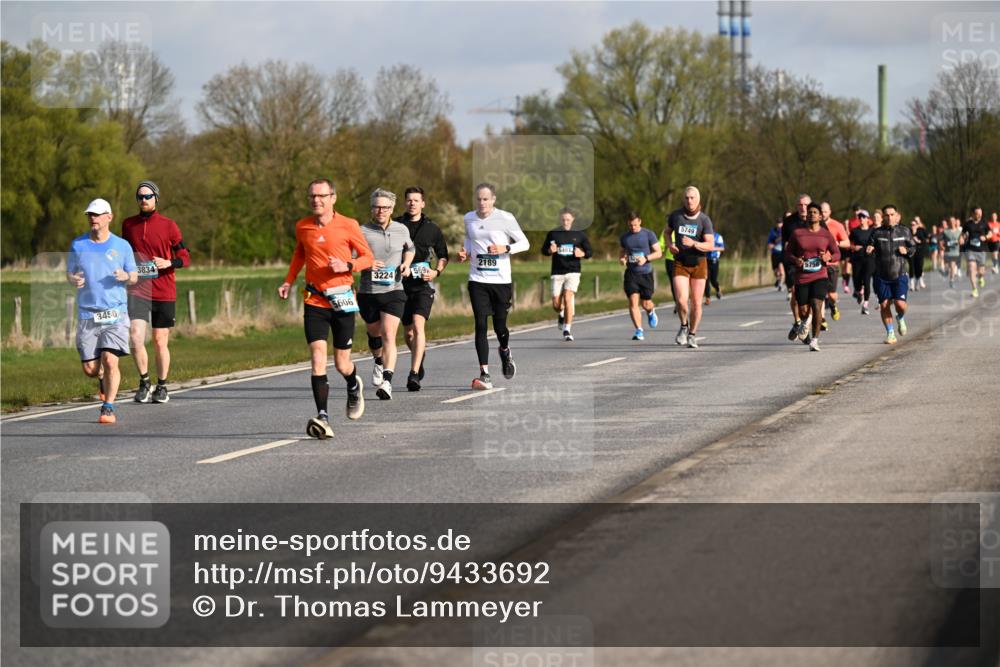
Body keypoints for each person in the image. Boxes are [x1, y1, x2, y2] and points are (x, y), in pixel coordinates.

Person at [278, 178, 374, 438]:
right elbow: (300, 253)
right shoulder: (303, 226)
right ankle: (323, 417)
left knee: (342, 363)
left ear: (333, 198)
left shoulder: (349, 225)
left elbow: (368, 258)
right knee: (318, 357)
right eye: (312, 196)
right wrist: (288, 281)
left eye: (321, 196)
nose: (316, 200)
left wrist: (348, 265)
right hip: (315, 300)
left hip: (342, 299)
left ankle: (353, 385)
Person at [67, 199, 138, 423]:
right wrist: (73, 279)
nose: (93, 218)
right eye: (90, 214)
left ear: (109, 217)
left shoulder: (122, 246)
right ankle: (100, 377)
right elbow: (70, 273)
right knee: (90, 368)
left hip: (115, 312)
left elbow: (134, 276)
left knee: (110, 360)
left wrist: (126, 276)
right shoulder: (78, 245)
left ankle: (108, 407)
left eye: (97, 214)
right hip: (88, 314)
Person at [122, 180, 190, 404]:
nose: (143, 200)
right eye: (140, 197)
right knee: (135, 336)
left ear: (156, 198)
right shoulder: (128, 225)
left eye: (148, 196)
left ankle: (162, 386)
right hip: (138, 289)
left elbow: (185, 257)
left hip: (163, 290)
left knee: (160, 341)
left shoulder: (169, 225)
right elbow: (124, 254)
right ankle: (144, 382)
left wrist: (169, 262)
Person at [456, 183, 529, 390]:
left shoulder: (505, 218)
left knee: (500, 327)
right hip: (477, 279)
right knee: (480, 323)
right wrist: (465, 252)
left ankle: (505, 351)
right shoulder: (469, 218)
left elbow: (525, 243)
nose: (482, 203)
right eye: (478, 199)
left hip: (501, 281)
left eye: (486, 199)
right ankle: (485, 373)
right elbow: (469, 239)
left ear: (493, 199)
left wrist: (505, 248)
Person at [360, 189, 414, 401]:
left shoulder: (401, 229)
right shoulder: (361, 231)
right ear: (371, 209)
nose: (380, 210)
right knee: (374, 334)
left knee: (389, 334)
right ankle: (378, 360)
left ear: (392, 209)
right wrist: (368, 264)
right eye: (376, 207)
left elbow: (410, 248)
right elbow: (350, 259)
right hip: (368, 292)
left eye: (385, 207)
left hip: (394, 290)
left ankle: (387, 381)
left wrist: (406, 263)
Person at [395, 186, 448, 392]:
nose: (412, 203)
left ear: (422, 203)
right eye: (409, 200)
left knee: (418, 327)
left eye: (416, 200)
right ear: (405, 202)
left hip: (423, 285)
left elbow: (443, 255)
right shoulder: (396, 225)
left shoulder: (432, 228)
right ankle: (419, 354)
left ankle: (414, 374)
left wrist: (436, 272)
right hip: (400, 285)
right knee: (408, 334)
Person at [785, 202, 840, 351]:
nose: (812, 214)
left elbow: (837, 253)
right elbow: (788, 253)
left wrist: (829, 257)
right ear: (806, 216)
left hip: (820, 275)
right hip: (802, 277)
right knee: (804, 311)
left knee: (816, 305)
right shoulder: (797, 233)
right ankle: (803, 323)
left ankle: (814, 340)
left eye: (815, 212)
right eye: (810, 212)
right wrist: (796, 260)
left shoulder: (825, 234)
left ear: (820, 216)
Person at [666, 186, 715, 348]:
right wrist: (670, 245)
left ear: (698, 199)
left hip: (699, 263)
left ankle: (692, 334)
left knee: (696, 303)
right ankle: (683, 326)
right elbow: (667, 232)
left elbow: (710, 245)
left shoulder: (704, 220)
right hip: (680, 262)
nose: (689, 201)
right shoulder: (676, 216)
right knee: (681, 300)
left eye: (692, 198)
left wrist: (694, 243)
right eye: (687, 198)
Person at [541, 207, 593, 341]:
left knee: (568, 297)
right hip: (557, 272)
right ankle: (561, 313)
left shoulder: (579, 234)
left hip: (573, 271)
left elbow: (590, 252)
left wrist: (582, 253)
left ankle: (567, 329)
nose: (565, 222)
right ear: (560, 219)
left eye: (568, 220)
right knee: (556, 304)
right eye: (563, 219)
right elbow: (543, 250)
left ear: (573, 219)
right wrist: (549, 250)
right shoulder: (553, 234)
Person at [866, 204, 915, 345]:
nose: (889, 217)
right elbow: (869, 248)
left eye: (892, 214)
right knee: (884, 304)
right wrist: (868, 250)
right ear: (883, 217)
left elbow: (913, 248)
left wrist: (907, 251)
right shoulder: (876, 233)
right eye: (886, 215)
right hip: (881, 275)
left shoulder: (904, 231)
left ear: (896, 215)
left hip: (899, 273)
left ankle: (900, 317)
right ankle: (890, 333)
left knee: (900, 305)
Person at [619, 211, 662, 341]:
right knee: (633, 301)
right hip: (631, 273)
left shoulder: (649, 234)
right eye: (630, 225)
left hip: (646, 273)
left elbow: (659, 252)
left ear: (640, 222)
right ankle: (639, 330)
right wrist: (622, 259)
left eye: (635, 225)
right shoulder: (625, 237)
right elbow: (622, 252)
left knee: (646, 304)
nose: (633, 227)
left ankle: (651, 311)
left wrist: (646, 258)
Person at [782, 194, 811, 340]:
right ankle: (798, 321)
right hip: (793, 262)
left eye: (806, 205)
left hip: (811, 262)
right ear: (796, 206)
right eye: (800, 205)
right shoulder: (789, 222)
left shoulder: (816, 219)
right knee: (795, 293)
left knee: (809, 297)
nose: (803, 208)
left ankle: (805, 325)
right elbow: (785, 244)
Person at [820, 202, 849, 323]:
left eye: (825, 212)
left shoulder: (837, 225)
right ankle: (821, 320)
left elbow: (847, 243)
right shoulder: (813, 225)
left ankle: (832, 305)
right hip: (818, 265)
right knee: (819, 294)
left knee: (831, 295)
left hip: (832, 265)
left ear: (830, 212)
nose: (823, 214)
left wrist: (837, 243)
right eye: (821, 211)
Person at [848, 210, 876, 314]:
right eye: (859, 217)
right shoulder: (855, 231)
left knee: (867, 280)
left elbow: (877, 243)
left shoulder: (873, 231)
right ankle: (858, 292)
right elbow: (848, 243)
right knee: (856, 281)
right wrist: (853, 247)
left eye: (863, 217)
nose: (861, 219)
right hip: (857, 259)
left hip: (869, 258)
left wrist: (872, 247)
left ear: (868, 218)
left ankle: (865, 305)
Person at [963, 206, 989, 297]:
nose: (980, 215)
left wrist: (985, 237)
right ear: (973, 214)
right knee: (971, 268)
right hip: (971, 250)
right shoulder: (968, 224)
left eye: (981, 214)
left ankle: (981, 277)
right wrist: (961, 238)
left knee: (981, 271)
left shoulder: (984, 223)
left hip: (981, 250)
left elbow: (990, 233)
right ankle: (974, 289)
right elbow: (963, 234)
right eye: (978, 214)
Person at [705, 228, 725, 304]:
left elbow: (722, 248)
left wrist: (713, 248)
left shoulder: (718, 236)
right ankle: (708, 298)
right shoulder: (704, 236)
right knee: (706, 279)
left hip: (714, 260)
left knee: (713, 280)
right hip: (706, 260)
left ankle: (718, 289)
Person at [941, 217, 962, 288]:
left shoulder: (959, 231)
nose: (952, 222)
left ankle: (951, 281)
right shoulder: (945, 231)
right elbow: (940, 240)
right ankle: (945, 272)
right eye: (950, 221)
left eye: (953, 221)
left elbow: (961, 240)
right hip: (947, 252)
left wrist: (960, 241)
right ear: (949, 222)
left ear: (955, 222)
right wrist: (941, 246)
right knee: (947, 268)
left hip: (955, 252)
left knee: (953, 266)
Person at [908, 217, 928, 290]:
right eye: (911, 225)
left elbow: (924, 241)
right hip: (911, 252)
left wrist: (918, 241)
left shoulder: (920, 231)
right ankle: (911, 284)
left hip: (919, 252)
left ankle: (917, 283)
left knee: (918, 267)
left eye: (914, 225)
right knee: (911, 266)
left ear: (917, 225)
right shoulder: (909, 232)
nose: (912, 226)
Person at [767, 218, 785, 291]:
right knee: (775, 270)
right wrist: (770, 245)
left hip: (782, 253)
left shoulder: (785, 231)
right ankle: (778, 279)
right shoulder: (773, 231)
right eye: (778, 223)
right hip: (775, 252)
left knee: (781, 270)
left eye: (780, 223)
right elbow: (769, 242)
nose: (779, 224)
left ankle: (781, 284)